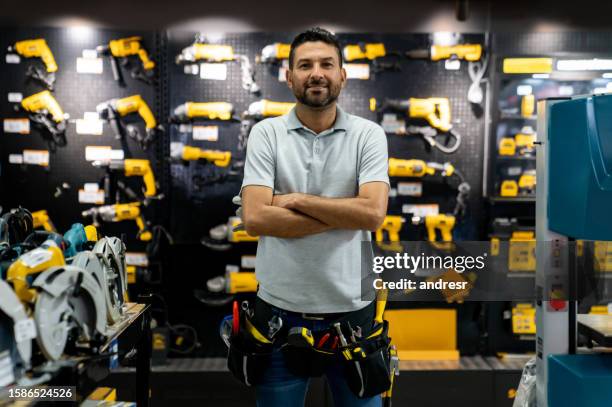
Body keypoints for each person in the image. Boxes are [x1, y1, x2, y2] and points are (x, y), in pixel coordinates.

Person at [240, 27, 390, 407]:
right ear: (289, 76)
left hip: (355, 317)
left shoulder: (368, 135)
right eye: (304, 65)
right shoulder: (266, 134)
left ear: (343, 73)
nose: (316, 73)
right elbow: (256, 219)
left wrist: (294, 200)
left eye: (327, 63)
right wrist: (345, 211)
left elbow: (372, 214)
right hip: (277, 316)